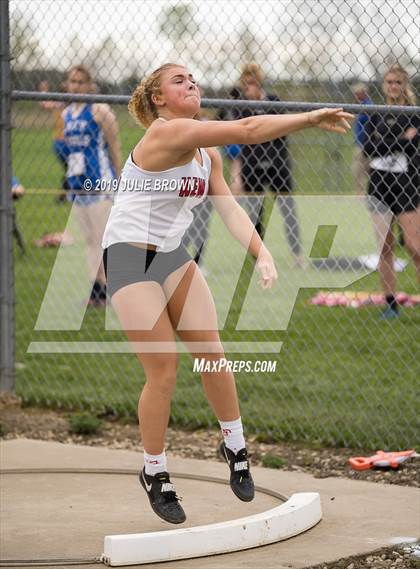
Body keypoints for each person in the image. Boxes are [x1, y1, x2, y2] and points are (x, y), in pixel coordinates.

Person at [101, 63, 352, 524]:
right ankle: (154, 471)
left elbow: (230, 207)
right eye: (178, 80)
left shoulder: (205, 155)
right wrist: (310, 118)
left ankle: (234, 445)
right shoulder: (166, 134)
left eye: (193, 77)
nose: (191, 82)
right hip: (128, 257)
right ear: (158, 99)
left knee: (212, 353)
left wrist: (263, 253)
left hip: (172, 257)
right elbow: (249, 128)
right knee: (164, 369)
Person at [232, 63, 305, 267]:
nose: (250, 88)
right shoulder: (240, 106)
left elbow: (280, 128)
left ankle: (297, 254)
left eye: (253, 83)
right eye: (246, 85)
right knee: (255, 212)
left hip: (277, 163)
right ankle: (259, 257)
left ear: (259, 82)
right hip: (252, 164)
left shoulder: (273, 101)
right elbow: (243, 133)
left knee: (288, 209)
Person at [363, 63, 420, 319]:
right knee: (384, 248)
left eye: (398, 82)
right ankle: (390, 303)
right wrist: (401, 141)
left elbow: (413, 149)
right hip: (378, 185)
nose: (393, 86)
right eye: (389, 82)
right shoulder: (374, 112)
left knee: (414, 245)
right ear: (383, 85)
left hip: (406, 184)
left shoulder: (414, 114)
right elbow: (368, 148)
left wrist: (386, 142)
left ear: (405, 85)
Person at [63, 65, 121, 306]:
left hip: (100, 184)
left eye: (80, 82)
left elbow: (115, 147)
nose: (75, 86)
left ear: (89, 85)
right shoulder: (66, 114)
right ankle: (97, 289)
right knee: (88, 240)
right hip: (77, 185)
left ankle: (108, 289)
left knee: (102, 239)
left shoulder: (100, 111)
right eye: (72, 81)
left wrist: (119, 181)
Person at [39, 81, 69, 203]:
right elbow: (44, 104)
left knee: (71, 169)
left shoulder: (64, 104)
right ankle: (63, 195)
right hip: (63, 143)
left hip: (59, 143)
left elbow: (44, 104)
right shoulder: (63, 104)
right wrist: (44, 91)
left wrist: (44, 91)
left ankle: (66, 194)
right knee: (72, 169)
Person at [351, 83, 373, 196]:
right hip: (360, 142)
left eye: (357, 93)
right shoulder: (361, 105)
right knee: (361, 169)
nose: (355, 96)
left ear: (363, 93)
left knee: (360, 169)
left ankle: (361, 193)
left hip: (365, 143)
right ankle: (361, 192)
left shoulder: (368, 105)